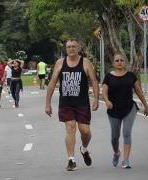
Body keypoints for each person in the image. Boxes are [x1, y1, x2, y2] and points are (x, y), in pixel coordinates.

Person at [45, 38, 99, 171]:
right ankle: (71, 160)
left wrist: (96, 99)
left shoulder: (85, 63)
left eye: (74, 46)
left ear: (78, 48)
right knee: (70, 128)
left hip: (82, 103)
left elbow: (94, 81)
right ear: (66, 49)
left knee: (85, 131)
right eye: (68, 47)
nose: (71, 49)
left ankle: (84, 148)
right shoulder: (60, 63)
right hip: (66, 103)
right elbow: (52, 83)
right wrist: (48, 103)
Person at [102, 54, 148, 168]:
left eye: (122, 60)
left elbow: (138, 91)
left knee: (127, 133)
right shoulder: (108, 76)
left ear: (125, 62)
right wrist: (107, 101)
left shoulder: (131, 76)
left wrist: (146, 105)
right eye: (117, 60)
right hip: (113, 109)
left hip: (129, 108)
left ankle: (126, 160)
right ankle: (117, 152)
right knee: (114, 137)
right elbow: (104, 92)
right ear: (113, 63)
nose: (119, 62)